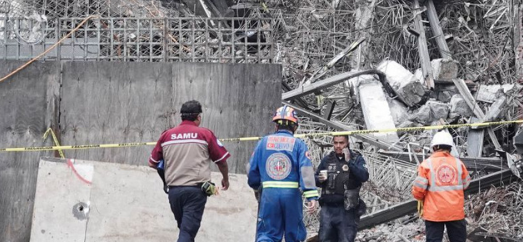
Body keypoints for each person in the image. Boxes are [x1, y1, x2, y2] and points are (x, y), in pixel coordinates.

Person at [149, 100, 231, 242]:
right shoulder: (205, 134)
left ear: (181, 117)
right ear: (198, 117)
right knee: (187, 232)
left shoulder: (166, 136)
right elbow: (222, 161)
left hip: (174, 192)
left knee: (185, 230)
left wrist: (166, 180)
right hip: (195, 192)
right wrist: (225, 179)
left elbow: (154, 163)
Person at [247, 105, 320, 242]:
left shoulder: (263, 142)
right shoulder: (299, 144)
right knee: (295, 233)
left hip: (269, 195)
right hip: (291, 195)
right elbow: (306, 170)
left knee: (267, 234)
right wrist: (311, 196)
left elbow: (251, 169)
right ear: (295, 127)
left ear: (276, 126)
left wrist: (257, 187)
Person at [411, 130, 469, 242]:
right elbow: (466, 184)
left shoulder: (426, 164)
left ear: (435, 147)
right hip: (455, 212)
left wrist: (419, 197)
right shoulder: (458, 163)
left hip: (434, 213)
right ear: (450, 147)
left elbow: (418, 190)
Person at [316, 134, 368, 242]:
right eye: (335, 143)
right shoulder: (327, 160)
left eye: (341, 143)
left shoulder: (356, 159)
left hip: (347, 210)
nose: (338, 146)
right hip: (327, 209)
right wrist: (319, 179)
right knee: (325, 239)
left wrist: (350, 162)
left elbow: (364, 176)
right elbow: (315, 179)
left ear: (347, 143)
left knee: (346, 239)